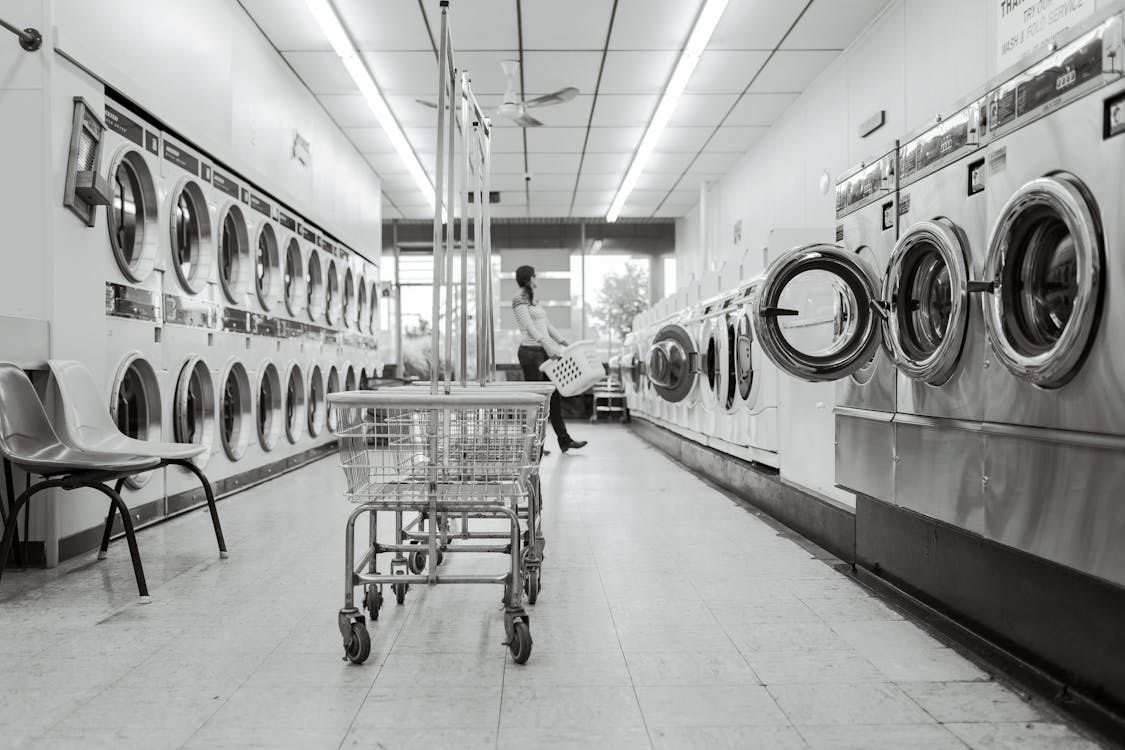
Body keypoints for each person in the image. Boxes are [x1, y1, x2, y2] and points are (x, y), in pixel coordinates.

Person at [512, 265, 587, 453]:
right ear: (529, 279)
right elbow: (529, 326)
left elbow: (546, 325)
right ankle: (532, 446)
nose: (538, 279)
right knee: (536, 401)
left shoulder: (534, 301)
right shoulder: (518, 300)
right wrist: (547, 345)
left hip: (543, 352)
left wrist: (563, 342)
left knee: (554, 398)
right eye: (535, 276)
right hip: (530, 353)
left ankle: (564, 440)